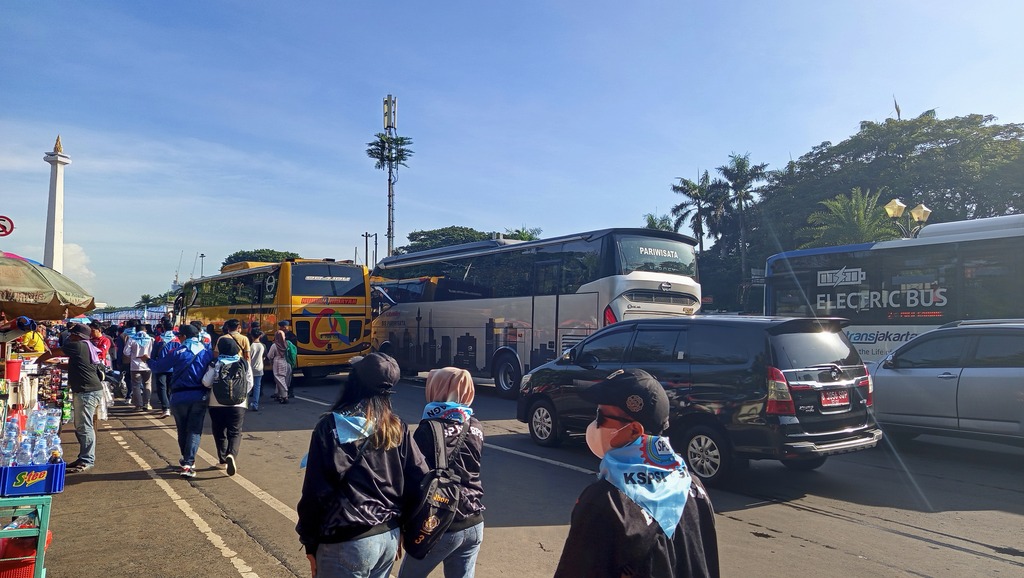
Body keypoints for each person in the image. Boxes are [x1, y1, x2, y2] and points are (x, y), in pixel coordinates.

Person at [554, 369, 719, 578]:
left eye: (600, 417)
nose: (593, 425)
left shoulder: (606, 501)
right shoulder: (693, 487)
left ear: (634, 430)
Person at [296, 353, 429, 578]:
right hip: (387, 537)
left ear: (354, 382)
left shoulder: (331, 428)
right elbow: (419, 480)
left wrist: (309, 541)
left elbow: (316, 491)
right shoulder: (397, 427)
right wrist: (402, 527)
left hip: (346, 539)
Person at [398, 367, 486, 578]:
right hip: (474, 521)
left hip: (439, 523)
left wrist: (402, 526)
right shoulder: (475, 425)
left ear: (436, 388)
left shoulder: (428, 428)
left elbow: (415, 480)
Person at [148, 324, 213, 478]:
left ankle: (187, 460)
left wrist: (147, 360)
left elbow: (158, 367)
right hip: (199, 396)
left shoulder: (177, 351)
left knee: (182, 429)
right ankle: (188, 462)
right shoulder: (207, 353)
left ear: (182, 336)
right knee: (194, 430)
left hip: (178, 396)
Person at [43, 325, 104, 473]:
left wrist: (38, 361)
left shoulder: (77, 345)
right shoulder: (87, 346)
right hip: (89, 390)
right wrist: (57, 365)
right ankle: (84, 457)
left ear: (78, 336)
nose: (69, 336)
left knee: (84, 426)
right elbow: (76, 365)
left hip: (87, 391)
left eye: (72, 334)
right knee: (81, 425)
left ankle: (87, 459)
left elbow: (52, 352)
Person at [203, 337, 252, 476]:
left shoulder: (216, 363)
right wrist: (239, 395)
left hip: (216, 403)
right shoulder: (243, 362)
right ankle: (232, 455)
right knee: (235, 432)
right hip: (239, 404)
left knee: (219, 431)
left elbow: (206, 382)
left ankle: (223, 460)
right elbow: (250, 383)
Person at [151, 325, 181, 418]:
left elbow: (153, 353)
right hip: (173, 367)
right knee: (171, 387)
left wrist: (152, 362)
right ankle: (171, 406)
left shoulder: (159, 338)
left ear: (163, 328)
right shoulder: (177, 339)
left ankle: (165, 408)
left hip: (161, 366)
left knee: (162, 388)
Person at [126, 323, 154, 410]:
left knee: (136, 385)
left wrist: (133, 356)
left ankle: (138, 405)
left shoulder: (132, 339)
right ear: (145, 330)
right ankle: (147, 403)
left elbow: (126, 352)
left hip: (135, 365)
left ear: (136, 330)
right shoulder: (151, 339)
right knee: (147, 384)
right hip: (148, 365)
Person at [266, 329, 292, 404]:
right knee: (285, 379)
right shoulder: (287, 344)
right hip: (287, 362)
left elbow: (270, 355)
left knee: (279, 379)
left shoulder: (275, 345)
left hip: (278, 363)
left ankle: (284, 396)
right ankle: (278, 394)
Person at [249, 329, 266, 412]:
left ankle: (245, 403)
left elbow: (249, 358)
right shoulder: (262, 346)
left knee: (248, 386)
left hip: (251, 369)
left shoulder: (251, 346)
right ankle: (255, 404)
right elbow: (264, 357)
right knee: (257, 387)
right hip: (259, 368)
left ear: (251, 336)